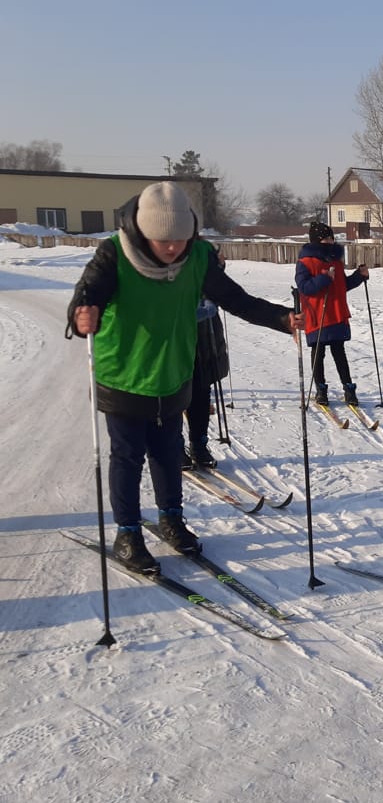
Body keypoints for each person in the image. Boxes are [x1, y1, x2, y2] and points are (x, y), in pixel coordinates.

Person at [66, 181, 303, 574]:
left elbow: (235, 299)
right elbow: (86, 296)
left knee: (168, 452)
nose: (173, 247)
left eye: (181, 238)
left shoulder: (197, 258)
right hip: (123, 373)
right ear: (143, 232)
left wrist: (281, 318)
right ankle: (128, 533)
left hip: (174, 371)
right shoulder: (114, 255)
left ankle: (171, 520)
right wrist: (81, 315)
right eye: (163, 240)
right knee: (127, 457)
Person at [295, 222, 369, 406]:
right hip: (317, 315)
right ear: (316, 241)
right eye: (325, 239)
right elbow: (304, 288)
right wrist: (324, 278)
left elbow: (343, 285)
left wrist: (359, 276)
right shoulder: (305, 262)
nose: (330, 242)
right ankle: (321, 389)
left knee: (339, 352)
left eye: (331, 238)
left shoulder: (336, 261)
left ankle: (349, 389)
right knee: (318, 352)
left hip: (336, 312)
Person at [181, 249, 230, 470]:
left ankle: (199, 445)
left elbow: (220, 287)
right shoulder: (168, 258)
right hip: (178, 341)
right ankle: (175, 446)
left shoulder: (203, 252)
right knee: (177, 396)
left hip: (206, 338)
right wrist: (203, 310)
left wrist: (218, 270)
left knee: (201, 394)